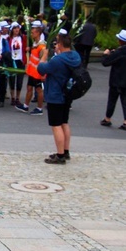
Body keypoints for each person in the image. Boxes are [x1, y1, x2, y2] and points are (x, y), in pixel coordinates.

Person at [37, 32, 81, 164]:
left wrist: (44, 55)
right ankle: (66, 151)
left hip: (56, 95)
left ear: (60, 45)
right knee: (64, 123)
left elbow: (41, 68)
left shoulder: (58, 60)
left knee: (56, 125)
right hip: (67, 93)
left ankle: (60, 155)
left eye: (57, 43)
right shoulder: (75, 56)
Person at [100, 30, 126, 130]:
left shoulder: (118, 52)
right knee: (125, 100)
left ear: (120, 41)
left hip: (117, 80)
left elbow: (105, 62)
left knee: (112, 100)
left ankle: (107, 118)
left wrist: (105, 54)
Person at [17, 21, 46, 115]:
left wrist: (43, 74)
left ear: (38, 33)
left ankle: (39, 108)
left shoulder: (42, 47)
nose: (31, 34)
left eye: (33, 32)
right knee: (29, 87)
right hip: (32, 71)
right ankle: (26, 106)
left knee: (38, 90)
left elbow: (43, 60)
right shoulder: (35, 44)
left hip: (38, 73)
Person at [8, 22, 26, 106]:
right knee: (12, 80)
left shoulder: (23, 38)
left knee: (19, 81)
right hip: (12, 60)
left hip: (20, 60)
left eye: (17, 28)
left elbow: (27, 47)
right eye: (15, 28)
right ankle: (13, 97)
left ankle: (18, 98)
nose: (16, 30)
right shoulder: (9, 38)